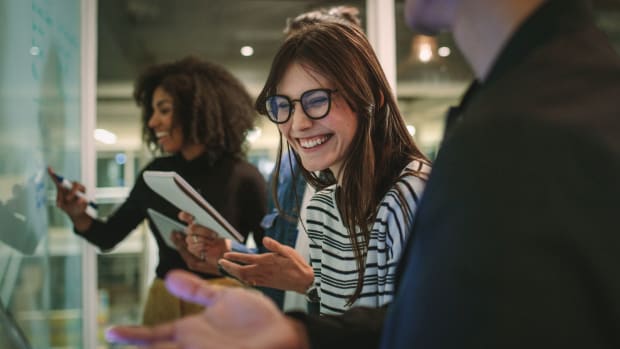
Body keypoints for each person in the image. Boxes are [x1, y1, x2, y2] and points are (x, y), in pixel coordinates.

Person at [107, 0, 620, 347]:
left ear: (369, 97)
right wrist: (302, 316)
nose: (298, 123)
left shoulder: (526, 130)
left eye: (316, 100)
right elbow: (408, 320)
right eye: (283, 106)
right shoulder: (326, 193)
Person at [50, 56, 267, 325]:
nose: (153, 122)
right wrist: (77, 215)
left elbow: (269, 259)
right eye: (152, 112)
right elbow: (109, 236)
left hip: (225, 304)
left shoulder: (244, 177)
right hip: (164, 301)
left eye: (163, 110)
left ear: (196, 110)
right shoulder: (155, 175)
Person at [185, 5, 365, 313]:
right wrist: (227, 251)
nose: (300, 122)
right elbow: (285, 265)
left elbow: (389, 312)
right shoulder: (287, 172)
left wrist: (310, 286)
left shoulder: (392, 188)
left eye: (317, 92)